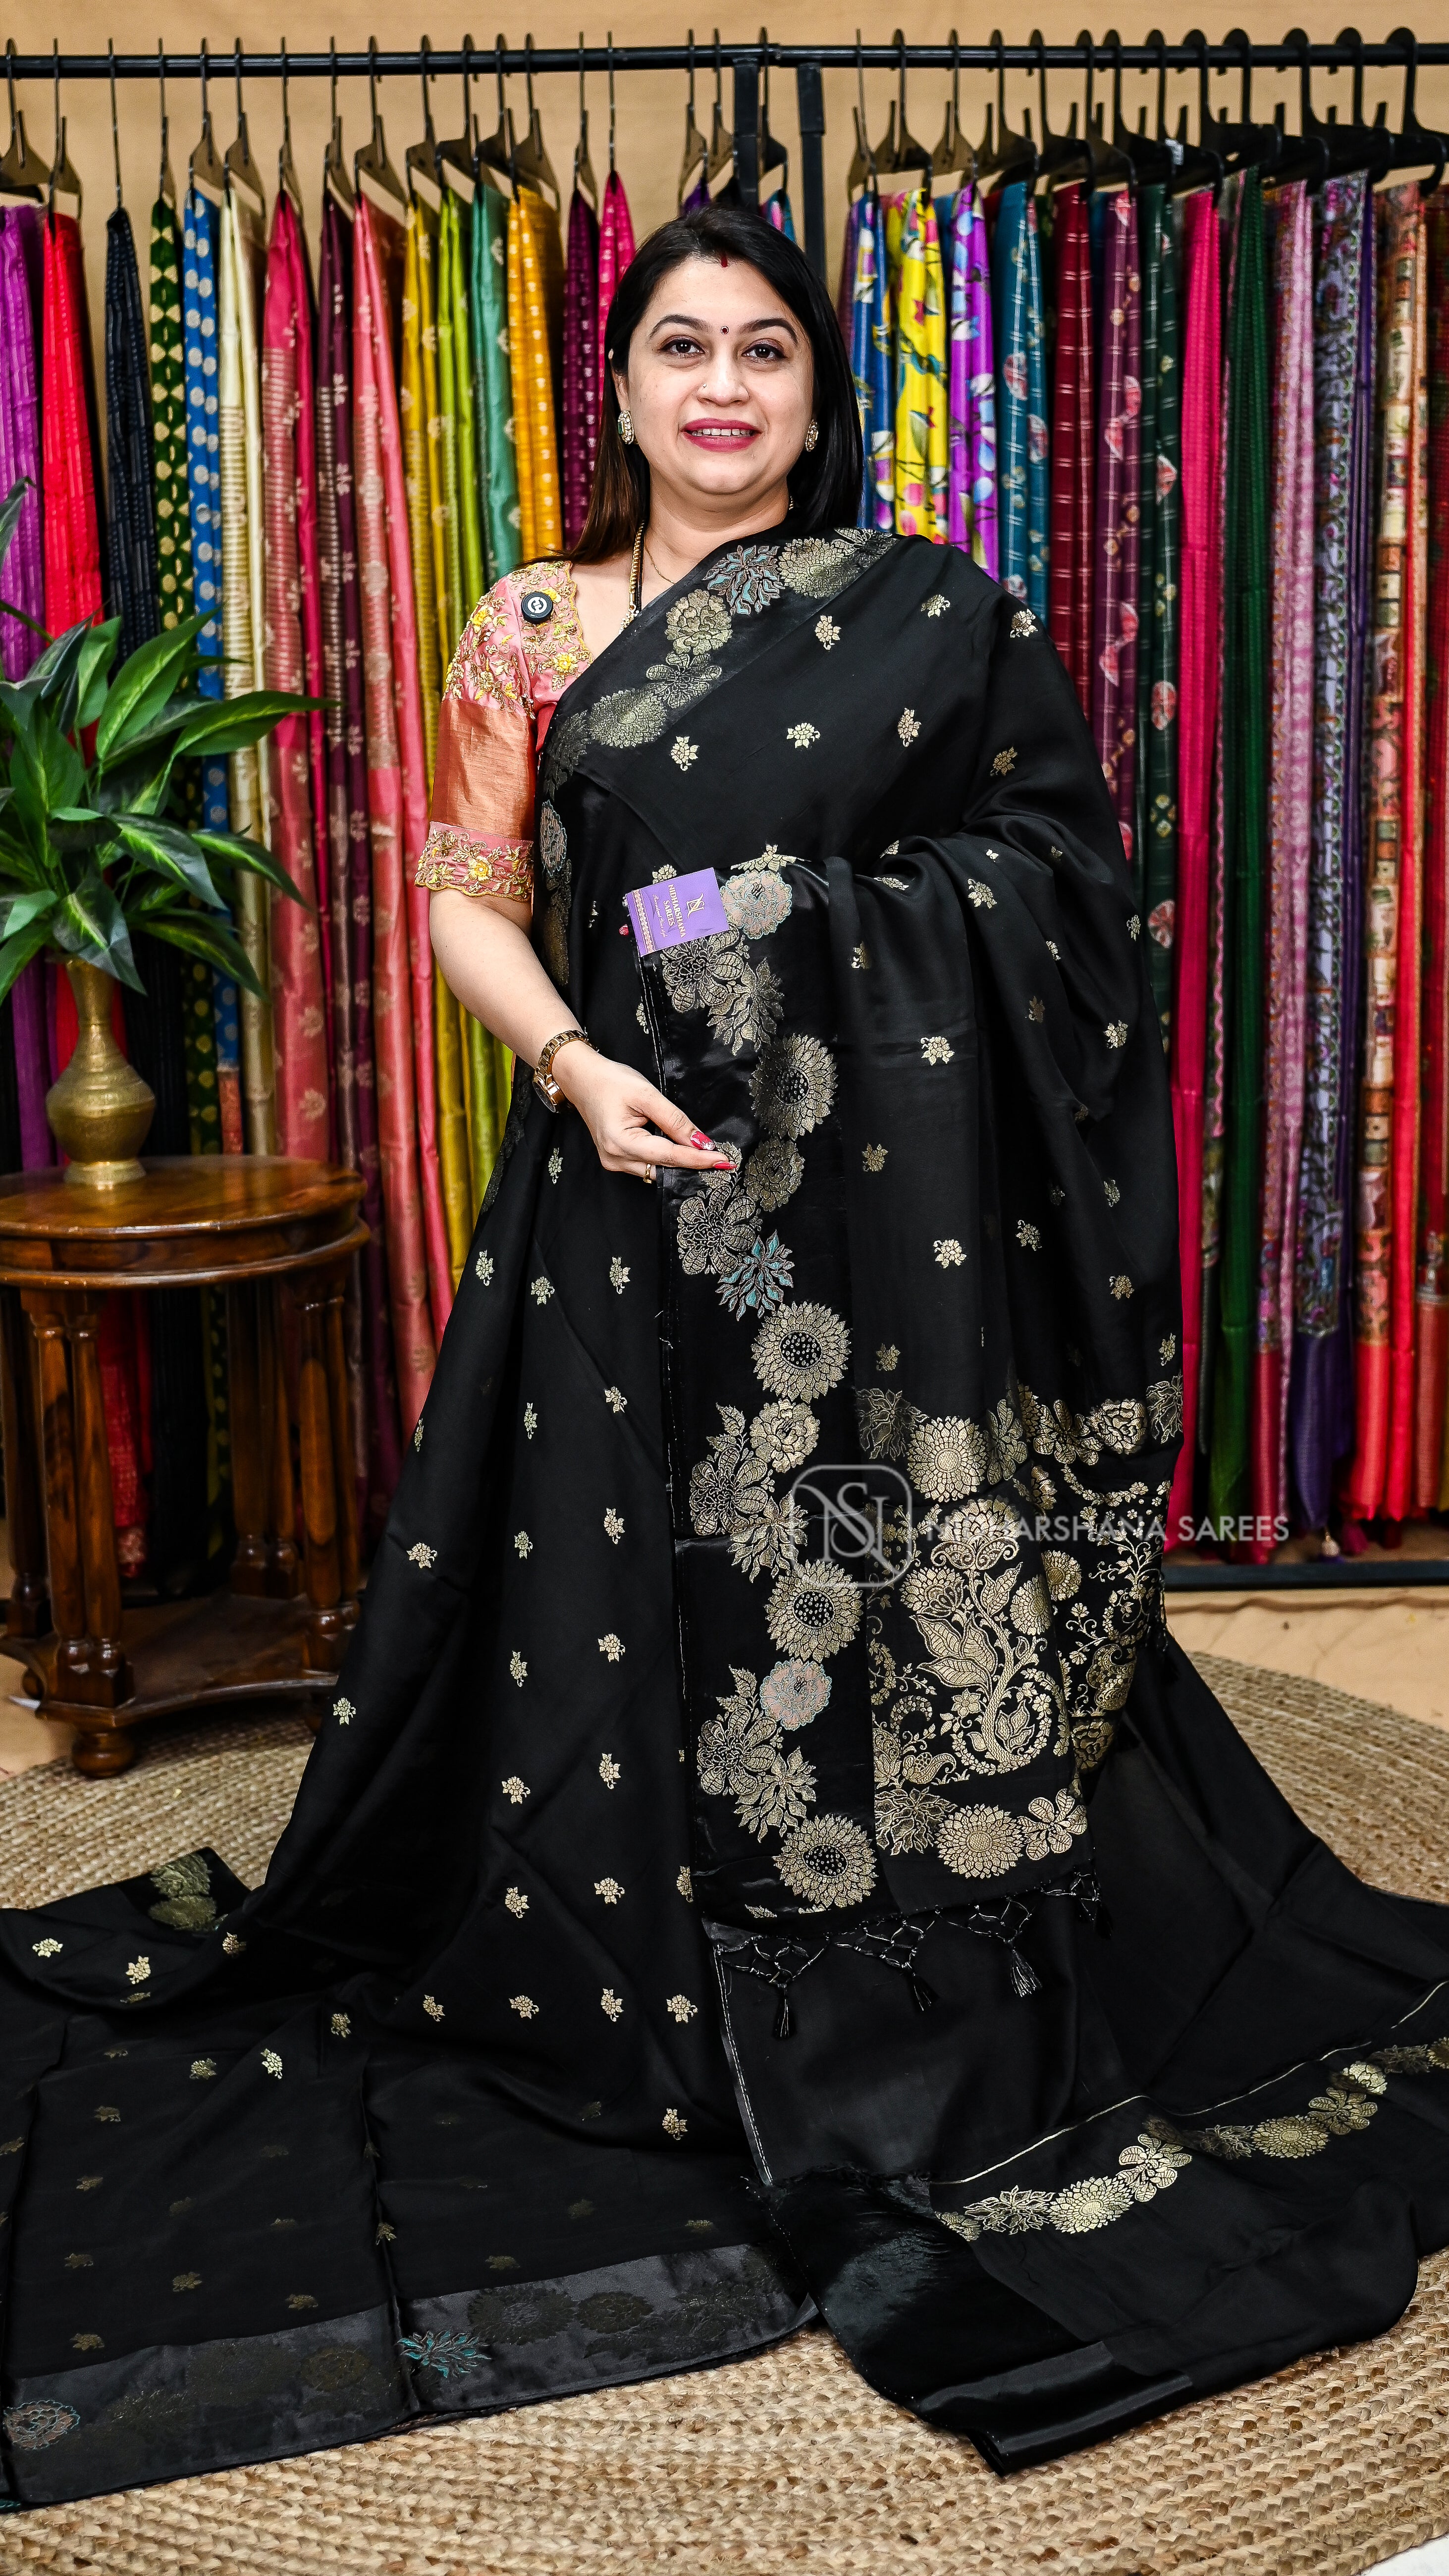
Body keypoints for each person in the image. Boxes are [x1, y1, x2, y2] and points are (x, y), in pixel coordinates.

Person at [0, 204, 1446, 2512]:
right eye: (682, 347)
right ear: (624, 382)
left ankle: (888, 1944)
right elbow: (469, 894)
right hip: (625, 1183)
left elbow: (1064, 886)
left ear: (813, 388)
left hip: (885, 1223)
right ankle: (631, 1936)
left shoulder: (927, 610)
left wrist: (755, 911)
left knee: (864, 1578)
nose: (722, 389)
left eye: (766, 350)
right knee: (604, 1592)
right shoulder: (536, 623)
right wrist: (576, 1059)